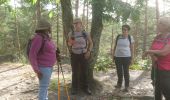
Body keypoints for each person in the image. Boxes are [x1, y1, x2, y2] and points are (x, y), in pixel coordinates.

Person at [143, 17, 170, 100]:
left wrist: (149, 51)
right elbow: (153, 49)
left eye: (160, 23)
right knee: (157, 90)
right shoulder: (157, 37)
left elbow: (164, 52)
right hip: (155, 67)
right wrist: (152, 56)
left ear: (166, 26)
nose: (158, 25)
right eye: (158, 23)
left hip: (166, 70)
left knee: (166, 90)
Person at [29, 18, 56, 100]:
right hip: (43, 68)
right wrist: (37, 70)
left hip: (49, 67)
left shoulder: (46, 37)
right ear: (45, 28)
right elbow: (32, 55)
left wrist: (56, 52)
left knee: (45, 86)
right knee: (43, 87)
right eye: (49, 27)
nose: (50, 29)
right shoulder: (38, 38)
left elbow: (49, 49)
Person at [67, 18, 93, 95]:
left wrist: (88, 51)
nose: (75, 25)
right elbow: (69, 44)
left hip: (84, 54)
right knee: (75, 72)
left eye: (77, 23)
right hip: (74, 54)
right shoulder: (71, 33)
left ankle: (86, 88)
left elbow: (91, 43)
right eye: (74, 23)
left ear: (81, 24)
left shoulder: (85, 33)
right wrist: (70, 43)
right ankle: (74, 88)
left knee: (84, 72)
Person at [112, 25, 134, 92]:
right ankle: (119, 84)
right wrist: (113, 55)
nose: (124, 31)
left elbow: (132, 48)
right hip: (117, 56)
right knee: (119, 71)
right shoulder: (118, 37)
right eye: (123, 29)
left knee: (126, 71)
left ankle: (126, 86)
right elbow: (115, 46)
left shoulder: (130, 37)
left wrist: (132, 58)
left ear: (128, 30)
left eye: (125, 29)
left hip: (127, 57)